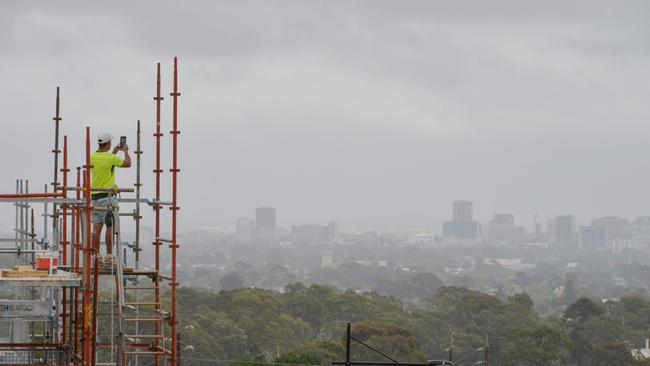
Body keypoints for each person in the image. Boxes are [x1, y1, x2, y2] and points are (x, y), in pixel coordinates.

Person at [90, 131, 131, 257]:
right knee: (110, 225)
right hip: (107, 197)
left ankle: (95, 256)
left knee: (96, 229)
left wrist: (113, 152)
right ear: (108, 143)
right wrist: (125, 151)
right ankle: (108, 255)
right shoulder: (110, 158)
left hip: (95, 198)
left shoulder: (92, 156)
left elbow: (106, 164)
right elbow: (128, 163)